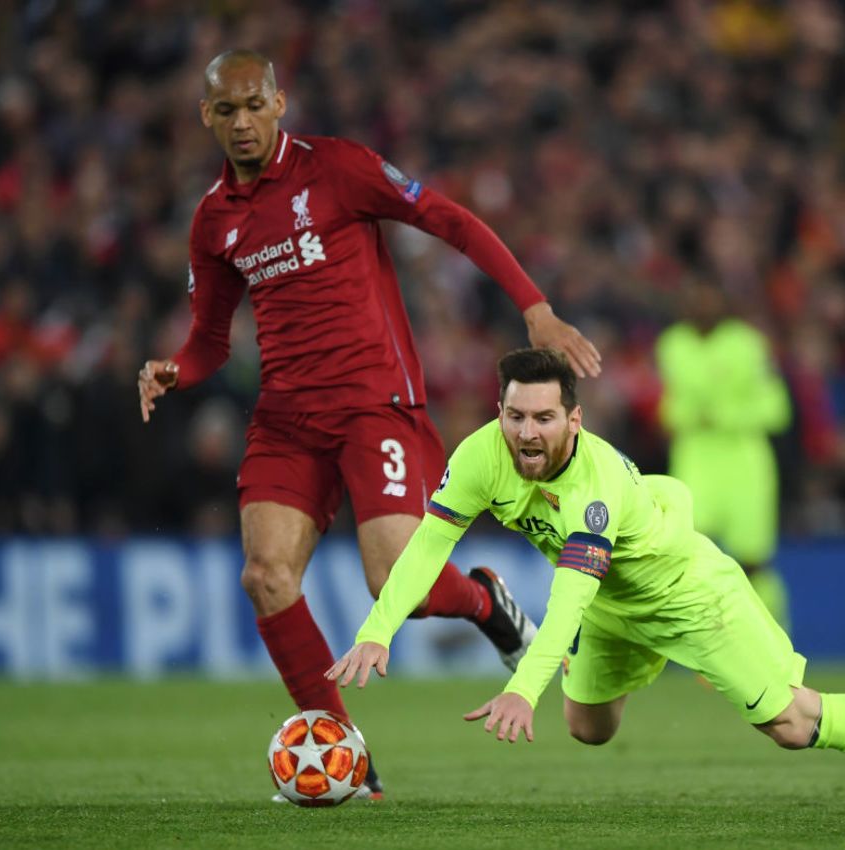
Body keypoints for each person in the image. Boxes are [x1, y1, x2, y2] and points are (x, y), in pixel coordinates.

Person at [136, 50, 601, 800]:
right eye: (227, 110)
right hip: (287, 419)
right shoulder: (213, 220)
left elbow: (446, 218)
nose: (243, 122)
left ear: (280, 103)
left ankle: (483, 601)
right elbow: (210, 341)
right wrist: (174, 370)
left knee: (398, 585)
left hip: (374, 404)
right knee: (265, 576)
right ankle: (344, 752)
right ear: (206, 118)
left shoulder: (339, 169)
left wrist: (535, 307)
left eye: (255, 104)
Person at [327, 348, 845, 811]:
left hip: (689, 598)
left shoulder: (595, 486)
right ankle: (534, 628)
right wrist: (376, 629)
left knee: (788, 722)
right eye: (515, 416)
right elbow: (428, 543)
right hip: (613, 609)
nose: (525, 433)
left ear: (573, 421)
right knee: (590, 730)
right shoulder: (480, 455)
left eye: (543, 419)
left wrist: (522, 687)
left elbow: (570, 596)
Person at [655, 279, 792, 627]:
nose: (701, 305)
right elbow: (665, 406)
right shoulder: (672, 345)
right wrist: (684, 416)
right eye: (694, 298)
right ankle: (693, 639)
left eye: (708, 297)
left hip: (744, 460)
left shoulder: (747, 344)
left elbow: (777, 407)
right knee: (683, 556)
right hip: (694, 460)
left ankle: (771, 642)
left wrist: (724, 416)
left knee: (752, 561)